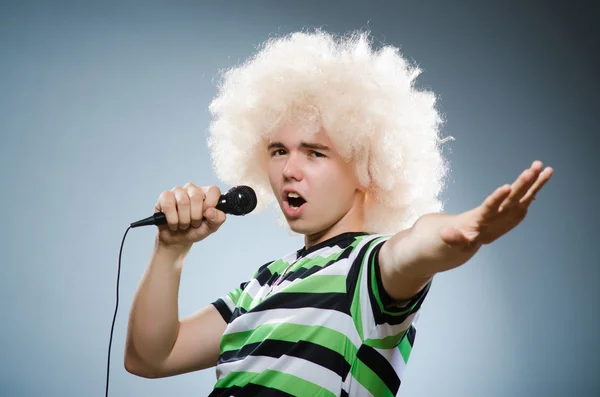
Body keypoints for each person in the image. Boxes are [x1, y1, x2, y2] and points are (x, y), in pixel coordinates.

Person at [124, 30, 553, 396]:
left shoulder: (366, 269)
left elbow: (414, 248)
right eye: (278, 151)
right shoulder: (262, 284)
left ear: (367, 166)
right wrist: (172, 248)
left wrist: (462, 228)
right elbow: (150, 356)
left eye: (315, 153)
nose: (290, 170)